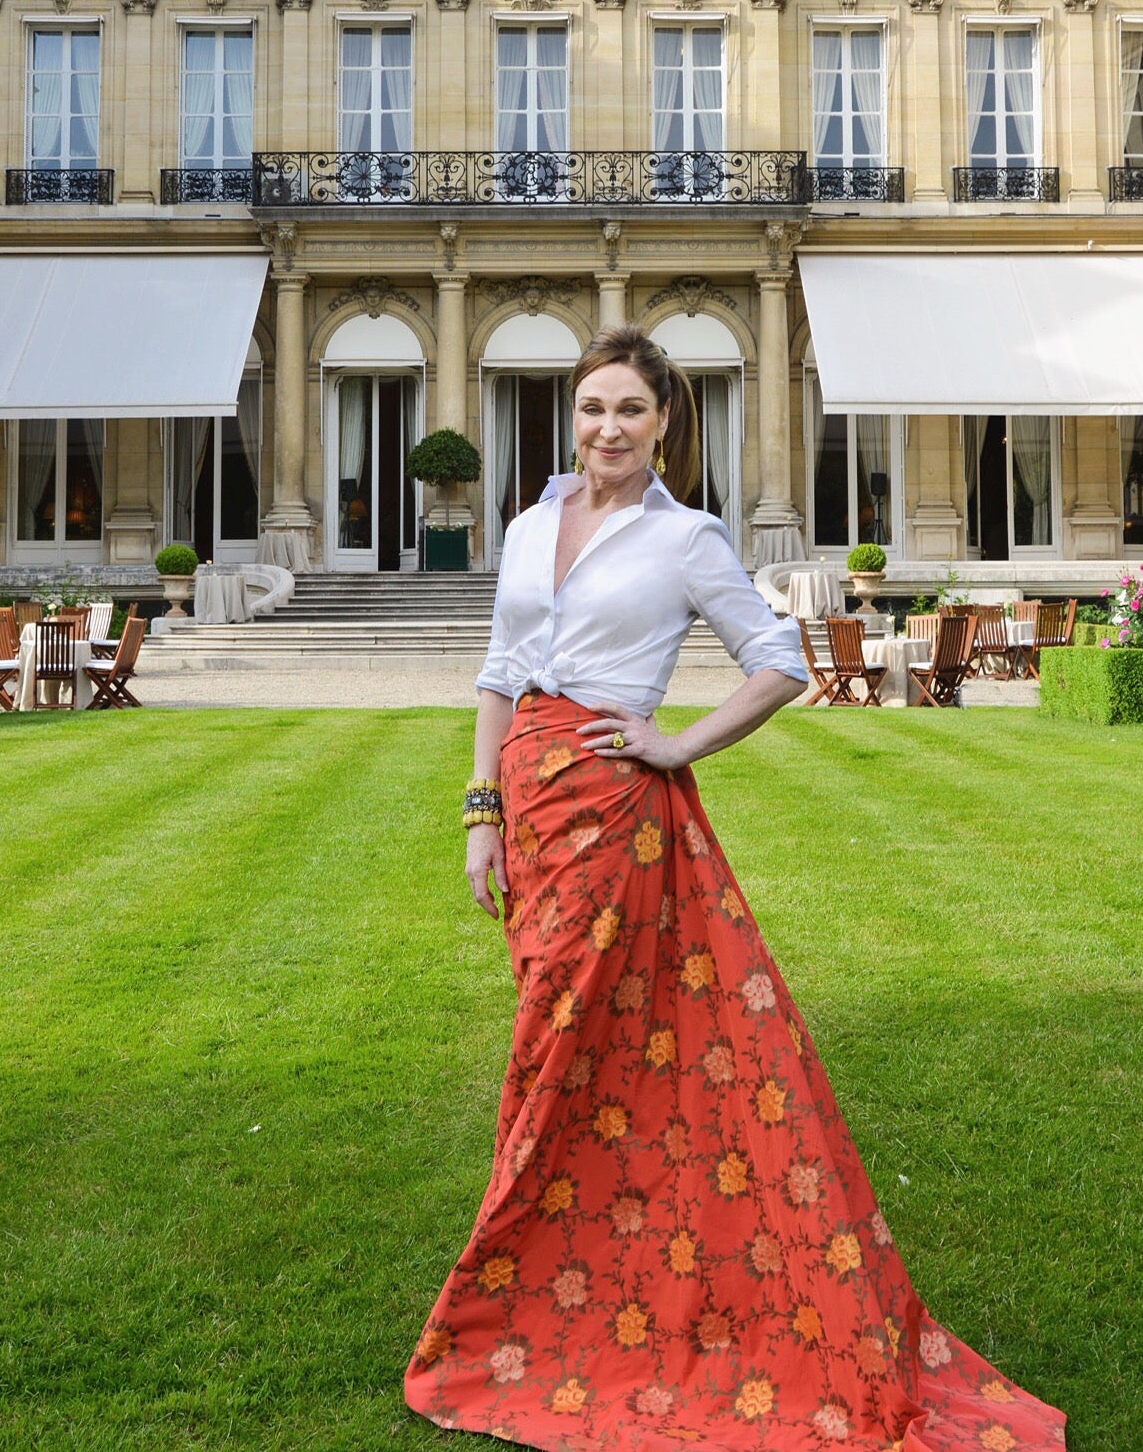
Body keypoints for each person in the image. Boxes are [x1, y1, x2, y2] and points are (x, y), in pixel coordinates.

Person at [405, 325, 1066, 1451]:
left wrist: (677, 744)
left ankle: (533, 1290)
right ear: (571, 414)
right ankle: (565, 1273)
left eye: (629, 409)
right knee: (561, 1045)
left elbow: (780, 662)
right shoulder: (526, 522)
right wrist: (480, 813)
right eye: (591, 406)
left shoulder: (688, 537)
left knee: (559, 1051)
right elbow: (499, 671)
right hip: (529, 809)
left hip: (614, 814)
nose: (606, 426)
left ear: (666, 422)